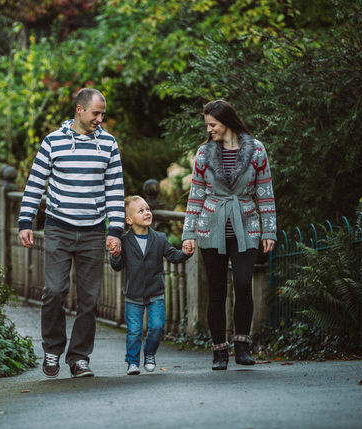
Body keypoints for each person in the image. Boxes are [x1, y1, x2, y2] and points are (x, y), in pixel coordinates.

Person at [18, 88, 125, 378]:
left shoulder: (109, 144)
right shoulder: (53, 142)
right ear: (79, 110)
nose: (100, 119)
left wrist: (115, 229)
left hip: (92, 230)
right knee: (54, 291)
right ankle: (52, 350)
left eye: (102, 113)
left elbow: (115, 189)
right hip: (58, 227)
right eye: (96, 113)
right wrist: (25, 221)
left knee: (89, 299)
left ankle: (79, 358)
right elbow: (35, 183)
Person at [182, 100, 277, 371]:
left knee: (244, 284)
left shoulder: (256, 149)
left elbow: (265, 192)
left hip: (246, 226)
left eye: (213, 124)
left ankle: (242, 346)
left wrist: (269, 230)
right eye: (207, 125)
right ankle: (219, 352)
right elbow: (196, 195)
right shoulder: (204, 153)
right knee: (216, 292)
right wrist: (189, 232)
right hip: (211, 228)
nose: (209, 129)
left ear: (227, 121)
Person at [110, 196, 193, 375]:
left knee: (157, 326)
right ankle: (132, 362)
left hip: (156, 292)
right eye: (141, 211)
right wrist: (115, 256)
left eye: (147, 209)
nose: (147, 212)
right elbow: (117, 267)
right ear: (129, 220)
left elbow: (173, 256)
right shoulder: (124, 242)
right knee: (134, 331)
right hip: (133, 294)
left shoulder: (159, 238)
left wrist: (185, 253)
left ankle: (149, 353)